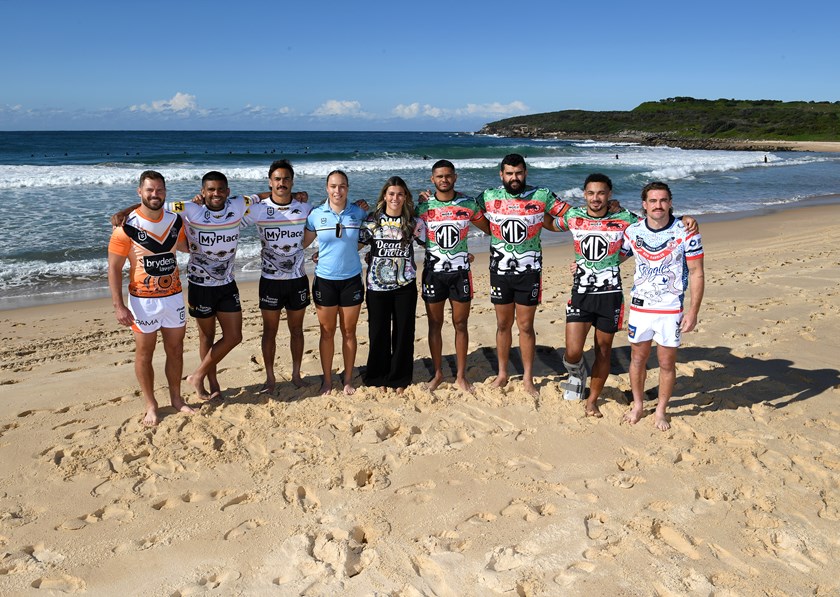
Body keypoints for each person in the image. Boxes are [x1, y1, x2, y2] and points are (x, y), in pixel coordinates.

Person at [475, 153, 572, 397]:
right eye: (509, 173)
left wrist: (606, 210)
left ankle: (528, 377)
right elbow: (462, 209)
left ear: (525, 173)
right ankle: (502, 373)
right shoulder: (488, 196)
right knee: (502, 324)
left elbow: (570, 214)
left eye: (518, 173)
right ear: (501, 175)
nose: (514, 178)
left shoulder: (543, 195)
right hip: (499, 271)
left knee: (526, 326)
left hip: (529, 272)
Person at [107, 170, 195, 426]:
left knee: (175, 350)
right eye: (149, 190)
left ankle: (177, 399)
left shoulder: (175, 220)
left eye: (159, 190)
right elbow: (113, 268)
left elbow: (182, 246)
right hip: (142, 301)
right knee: (145, 353)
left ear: (165, 192)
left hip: (173, 297)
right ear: (140, 192)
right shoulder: (126, 226)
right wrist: (118, 305)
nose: (154, 194)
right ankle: (151, 405)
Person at [553, 174, 641, 416]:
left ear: (609, 194)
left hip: (610, 296)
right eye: (591, 193)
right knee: (572, 351)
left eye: (601, 193)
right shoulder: (574, 216)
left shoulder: (625, 219)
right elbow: (548, 222)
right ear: (584, 194)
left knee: (603, 350)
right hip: (581, 293)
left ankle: (592, 399)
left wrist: (684, 220)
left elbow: (653, 226)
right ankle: (578, 374)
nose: (596, 198)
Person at [622, 182, 705, 431]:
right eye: (653, 201)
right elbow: (614, 257)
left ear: (670, 203)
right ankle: (638, 405)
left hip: (670, 309)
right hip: (640, 307)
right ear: (644, 205)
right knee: (637, 359)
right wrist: (581, 263)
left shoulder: (686, 231)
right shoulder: (632, 231)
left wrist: (693, 311)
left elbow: (697, 273)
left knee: (666, 363)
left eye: (663, 200)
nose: (658, 205)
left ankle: (660, 410)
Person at [415, 160, 490, 392]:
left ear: (455, 177)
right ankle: (437, 374)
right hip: (433, 273)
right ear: (432, 179)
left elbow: (490, 228)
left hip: (460, 274)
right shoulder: (423, 208)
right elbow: (411, 234)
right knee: (434, 324)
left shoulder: (468, 204)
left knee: (460, 324)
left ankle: (460, 375)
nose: (444, 180)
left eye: (448, 176)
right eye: (439, 176)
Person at [242, 160, 312, 392]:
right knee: (269, 331)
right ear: (270, 181)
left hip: (297, 279)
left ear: (292, 181)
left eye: (286, 179)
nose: (282, 183)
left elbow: (327, 225)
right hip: (270, 282)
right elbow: (229, 217)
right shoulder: (259, 209)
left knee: (296, 330)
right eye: (277, 179)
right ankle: (270, 377)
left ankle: (295, 374)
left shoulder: (305, 208)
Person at [303, 170, 367, 395]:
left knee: (349, 332)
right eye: (333, 186)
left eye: (342, 186)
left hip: (351, 280)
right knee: (327, 332)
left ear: (347, 188)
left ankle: (348, 379)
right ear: (326, 188)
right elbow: (301, 242)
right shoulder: (316, 214)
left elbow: (367, 238)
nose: (337, 191)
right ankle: (328, 381)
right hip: (325, 281)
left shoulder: (359, 212)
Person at [359, 176, 423, 391]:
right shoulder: (372, 221)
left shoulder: (414, 222)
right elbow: (354, 245)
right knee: (378, 332)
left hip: (405, 286)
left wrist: (464, 254)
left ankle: (399, 378)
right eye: (392, 193)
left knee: (404, 332)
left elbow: (433, 243)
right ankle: (377, 376)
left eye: (400, 194)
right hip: (377, 286)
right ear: (384, 196)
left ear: (405, 197)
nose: (395, 198)